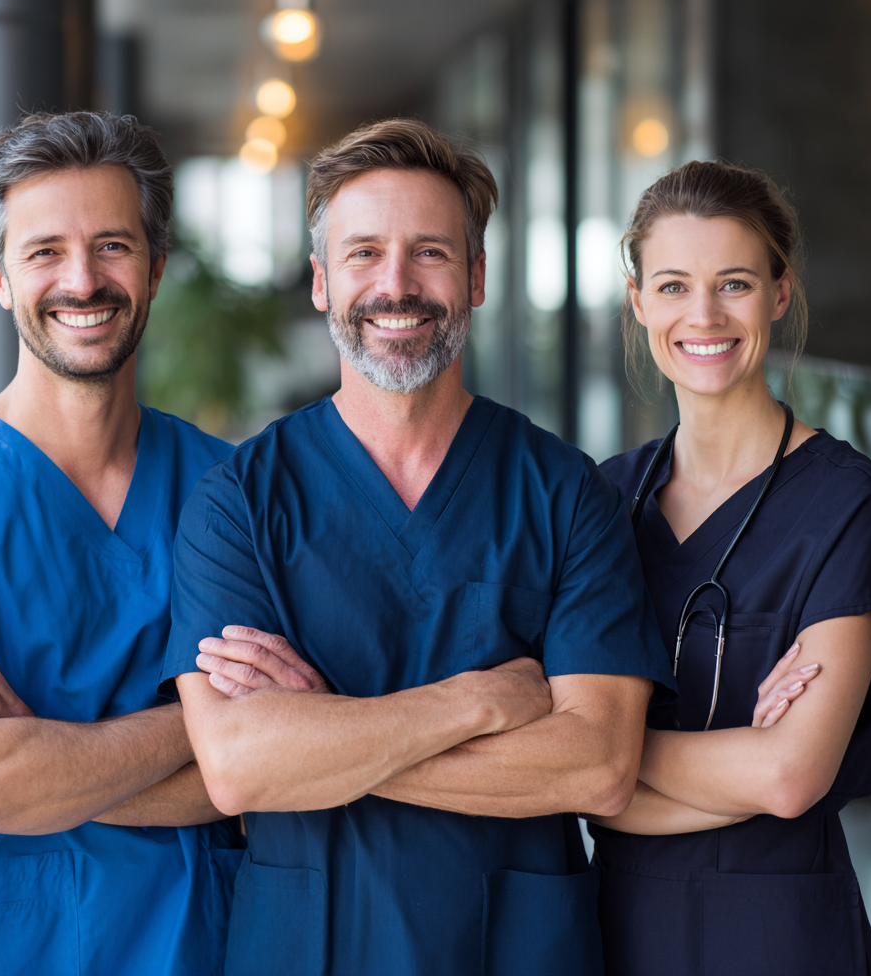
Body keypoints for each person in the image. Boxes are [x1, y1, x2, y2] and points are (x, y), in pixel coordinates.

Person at [160, 118, 676, 976]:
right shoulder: (238, 503)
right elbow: (240, 768)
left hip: (514, 947)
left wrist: (324, 738)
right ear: (322, 283)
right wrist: (477, 702)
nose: (395, 286)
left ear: (476, 278)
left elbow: (598, 769)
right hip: (307, 946)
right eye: (363, 254)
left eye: (429, 253)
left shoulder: (566, 493)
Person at [0, 112, 243, 976]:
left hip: (191, 947)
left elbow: (271, 774)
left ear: (153, 268)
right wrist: (205, 723)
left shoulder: (231, 492)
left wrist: (41, 746)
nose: (83, 279)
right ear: (0, 279)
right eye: (44, 253)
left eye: (113, 245)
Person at [586, 160, 871, 976]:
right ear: (639, 301)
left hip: (780, 936)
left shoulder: (846, 506)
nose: (705, 315)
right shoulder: (603, 502)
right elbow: (559, 775)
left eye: (735, 283)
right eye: (675, 285)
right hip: (614, 931)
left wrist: (600, 757)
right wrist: (736, 771)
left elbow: (792, 777)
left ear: (780, 292)